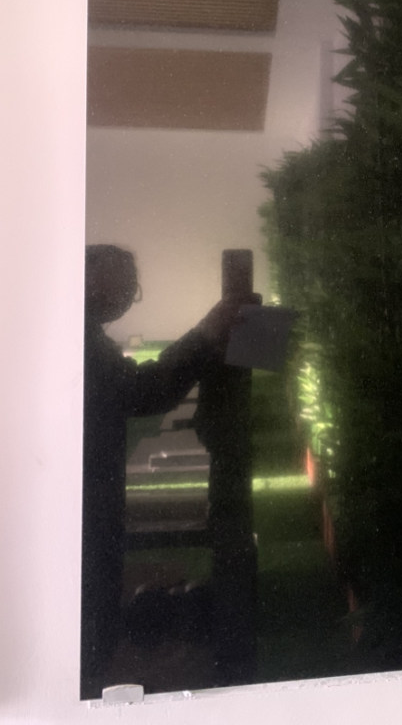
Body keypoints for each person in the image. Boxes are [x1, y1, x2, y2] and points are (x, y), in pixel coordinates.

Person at [80, 244, 242, 699]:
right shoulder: (76, 337)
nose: (129, 295)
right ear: (89, 278)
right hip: (82, 504)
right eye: (124, 283)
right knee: (87, 616)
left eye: (132, 287)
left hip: (83, 500)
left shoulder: (76, 333)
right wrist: (206, 335)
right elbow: (142, 391)